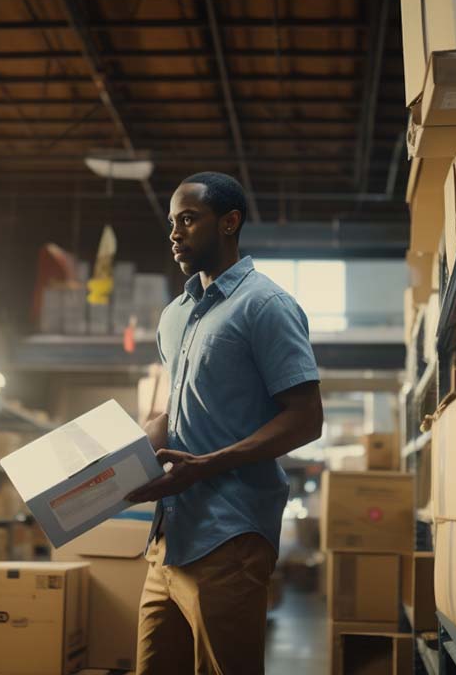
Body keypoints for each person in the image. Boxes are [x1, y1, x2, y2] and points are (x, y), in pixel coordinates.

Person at [125, 172, 324, 674]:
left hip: (228, 536)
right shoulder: (175, 315)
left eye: (188, 220)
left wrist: (208, 464)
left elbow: (306, 418)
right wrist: (121, 459)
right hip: (169, 536)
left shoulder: (266, 306)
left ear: (230, 222)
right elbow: (178, 408)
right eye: (172, 223)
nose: (175, 233)